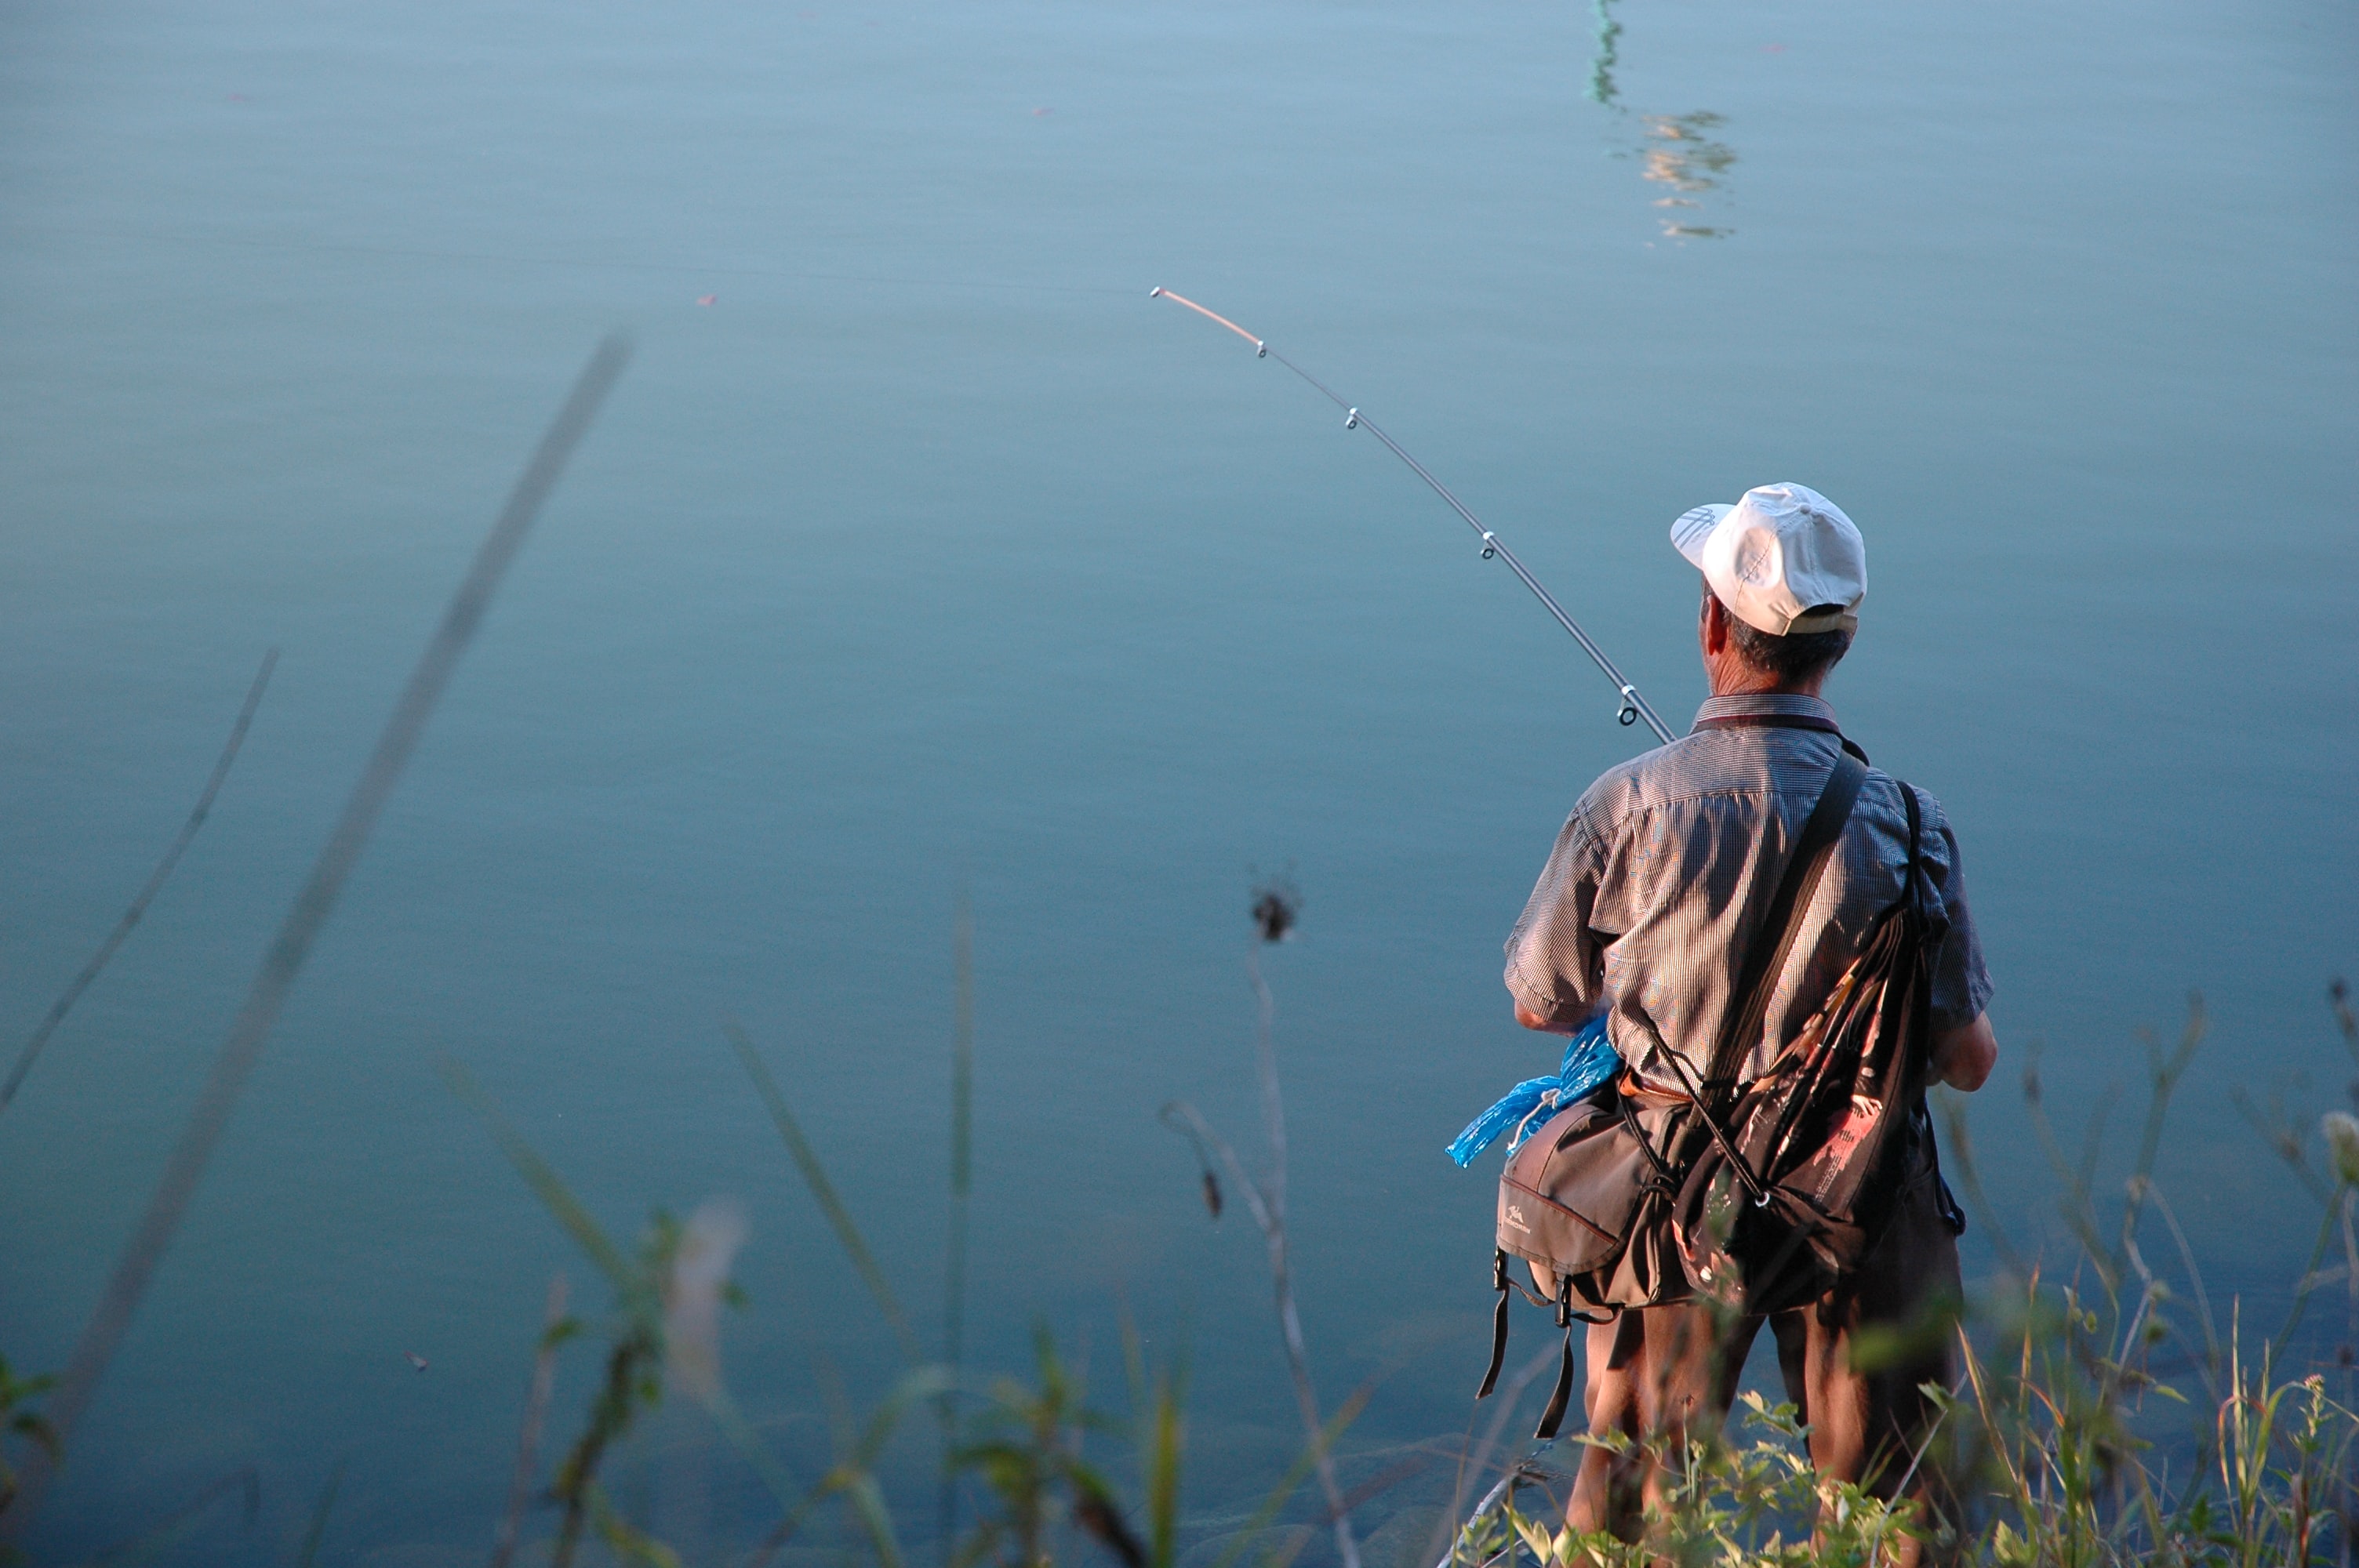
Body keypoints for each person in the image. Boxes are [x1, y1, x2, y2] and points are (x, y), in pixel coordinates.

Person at [1501, 482, 1997, 1559]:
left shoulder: (1627, 805)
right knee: (1898, 1510)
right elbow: (1968, 1060)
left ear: (1714, 626)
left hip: (1677, 1196)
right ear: (1842, 643)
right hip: (1859, 1199)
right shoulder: (1910, 823)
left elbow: (1540, 1001)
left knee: (1630, 1500)